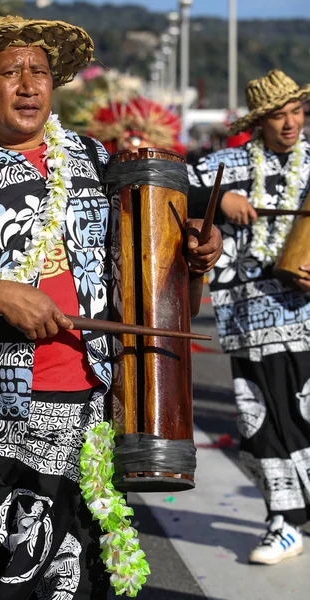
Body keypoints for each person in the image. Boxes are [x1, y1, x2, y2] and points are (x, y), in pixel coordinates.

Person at [0, 15, 223, 600]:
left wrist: (191, 259)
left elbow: (151, 285)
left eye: (38, 72)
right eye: (9, 72)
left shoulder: (99, 163)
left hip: (91, 410)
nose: (28, 85)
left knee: (83, 582)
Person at [188, 69, 310, 565]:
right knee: (262, 420)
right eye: (278, 116)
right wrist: (217, 198)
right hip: (247, 317)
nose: (290, 124)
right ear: (259, 123)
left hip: (307, 317)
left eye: (296, 112)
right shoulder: (228, 165)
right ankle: (283, 521)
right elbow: (164, 187)